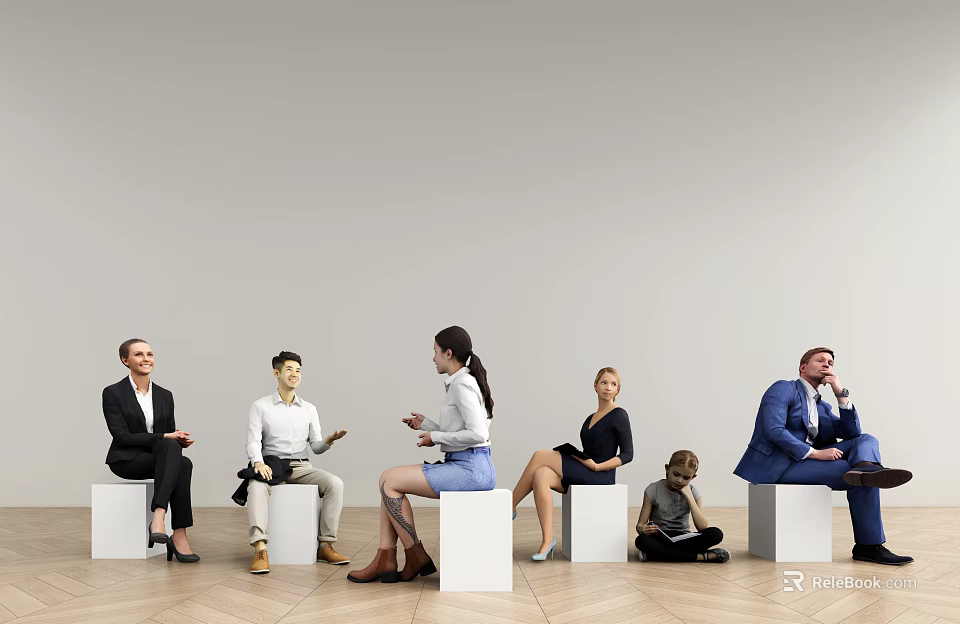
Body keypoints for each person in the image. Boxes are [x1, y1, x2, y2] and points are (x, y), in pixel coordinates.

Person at [734, 347, 914, 565]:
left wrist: (840, 393)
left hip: (806, 463)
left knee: (866, 440)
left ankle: (866, 468)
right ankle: (868, 546)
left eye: (830, 362)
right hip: (781, 465)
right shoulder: (783, 388)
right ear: (803, 367)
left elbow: (852, 433)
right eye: (820, 360)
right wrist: (816, 453)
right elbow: (773, 430)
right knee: (856, 477)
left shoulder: (823, 406)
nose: (827, 364)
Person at [347, 326, 496, 583]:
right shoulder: (462, 382)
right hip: (469, 463)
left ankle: (413, 555)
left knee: (388, 480)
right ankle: (387, 559)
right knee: (388, 483)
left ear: (449, 353)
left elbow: (478, 434)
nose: (433, 358)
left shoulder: (461, 384)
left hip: (471, 468)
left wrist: (436, 437)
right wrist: (428, 426)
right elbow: (462, 431)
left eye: (435, 351)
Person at [510, 367, 633, 560]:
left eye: (613, 384)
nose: (608, 387)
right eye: (603, 382)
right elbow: (591, 450)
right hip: (586, 467)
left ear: (618, 390)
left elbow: (628, 454)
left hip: (601, 474)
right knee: (540, 474)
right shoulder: (590, 418)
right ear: (595, 386)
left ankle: (510, 505)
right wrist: (580, 458)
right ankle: (547, 540)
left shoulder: (619, 414)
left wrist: (598, 466)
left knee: (540, 455)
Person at [245, 351, 349, 574]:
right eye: (289, 369)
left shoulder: (309, 409)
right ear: (277, 373)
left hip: (302, 465)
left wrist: (329, 440)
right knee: (255, 486)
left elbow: (316, 447)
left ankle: (325, 545)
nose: (295, 374)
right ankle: (260, 548)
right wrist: (258, 463)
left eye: (298, 370)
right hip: (271, 465)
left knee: (335, 484)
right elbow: (253, 442)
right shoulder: (260, 406)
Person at [102, 338, 198, 563]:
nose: (146, 359)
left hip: (158, 456)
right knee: (172, 449)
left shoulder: (165, 395)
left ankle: (178, 532)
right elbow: (122, 436)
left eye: (149, 354)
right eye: (138, 354)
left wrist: (177, 439)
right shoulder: (113, 393)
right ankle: (160, 517)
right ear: (125, 360)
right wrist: (166, 437)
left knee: (183, 462)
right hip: (126, 459)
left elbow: (166, 435)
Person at [635, 450, 728, 562]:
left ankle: (655, 555)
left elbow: (702, 527)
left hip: (683, 538)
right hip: (660, 537)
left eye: (686, 478)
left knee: (716, 534)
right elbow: (640, 526)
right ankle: (702, 557)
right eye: (676, 474)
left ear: (693, 477)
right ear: (667, 469)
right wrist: (643, 529)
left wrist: (689, 496)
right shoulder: (653, 490)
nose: (679, 480)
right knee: (641, 541)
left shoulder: (693, 492)